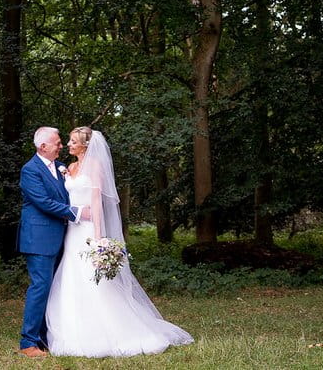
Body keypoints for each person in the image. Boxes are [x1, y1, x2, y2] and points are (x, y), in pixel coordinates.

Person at [45, 126, 194, 357]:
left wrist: (98, 238)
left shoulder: (94, 168)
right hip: (71, 231)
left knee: (94, 280)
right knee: (72, 276)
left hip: (88, 230)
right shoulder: (70, 168)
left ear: (85, 145)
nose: (69, 144)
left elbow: (96, 204)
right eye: (69, 141)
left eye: (74, 141)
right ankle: (74, 330)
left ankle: (112, 331)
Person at [17, 126, 88, 358]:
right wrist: (76, 212)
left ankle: (46, 337)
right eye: (57, 142)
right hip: (38, 239)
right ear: (43, 146)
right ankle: (28, 343)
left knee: (55, 289)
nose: (61, 146)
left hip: (62, 238)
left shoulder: (60, 168)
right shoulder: (30, 170)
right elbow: (44, 202)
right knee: (40, 287)